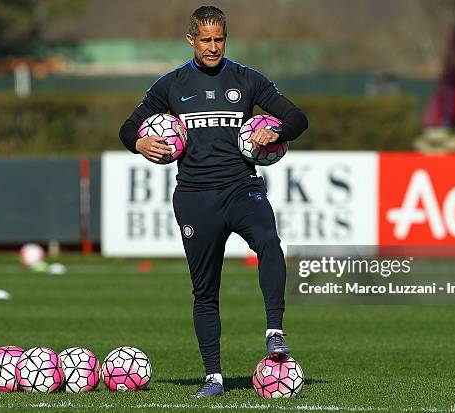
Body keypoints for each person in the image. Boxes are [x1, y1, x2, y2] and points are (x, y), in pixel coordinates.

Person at [119, 5, 308, 398]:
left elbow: (296, 118)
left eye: (219, 39)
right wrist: (139, 143)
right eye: (205, 39)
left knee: (269, 243)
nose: (213, 47)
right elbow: (126, 128)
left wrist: (274, 135)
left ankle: (275, 331)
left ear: (225, 38)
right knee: (205, 291)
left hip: (242, 188)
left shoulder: (247, 79)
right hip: (194, 198)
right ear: (191, 39)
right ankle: (214, 378)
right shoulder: (171, 85)